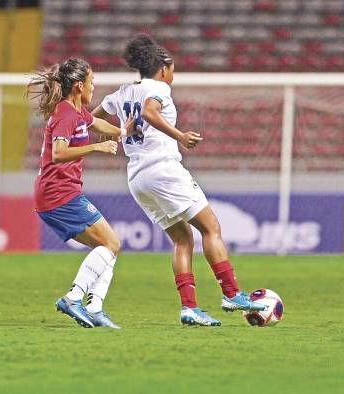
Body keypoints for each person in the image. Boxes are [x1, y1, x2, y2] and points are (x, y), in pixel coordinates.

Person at [92, 34, 265, 327]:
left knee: (183, 239)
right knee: (211, 228)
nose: (173, 74)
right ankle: (232, 293)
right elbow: (149, 111)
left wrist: (117, 132)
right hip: (163, 170)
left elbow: (90, 120)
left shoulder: (120, 93)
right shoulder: (159, 88)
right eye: (172, 69)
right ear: (163, 69)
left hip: (137, 177)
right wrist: (180, 136)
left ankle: (189, 308)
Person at [28, 58, 134, 329]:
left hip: (57, 194)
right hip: (59, 194)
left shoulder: (77, 112)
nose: (93, 86)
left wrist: (125, 132)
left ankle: (95, 308)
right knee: (111, 244)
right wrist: (96, 148)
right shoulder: (65, 114)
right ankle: (74, 297)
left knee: (107, 248)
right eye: (91, 82)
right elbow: (59, 153)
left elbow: (98, 124)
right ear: (78, 86)